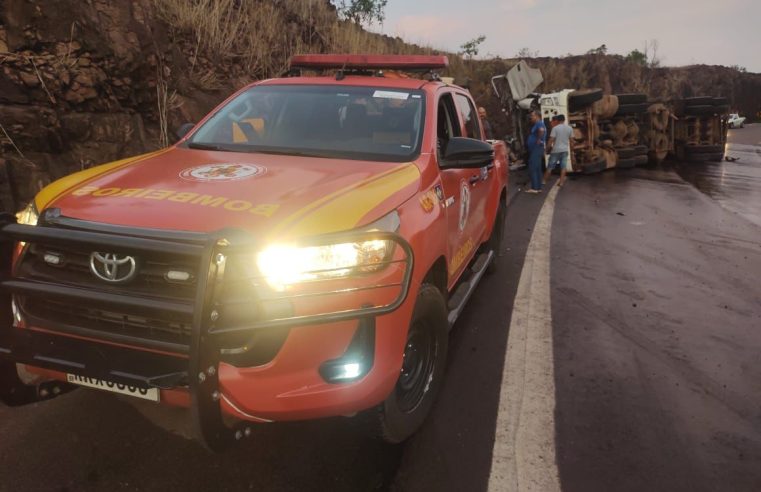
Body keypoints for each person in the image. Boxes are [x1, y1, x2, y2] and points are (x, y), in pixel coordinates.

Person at [543, 114, 573, 187]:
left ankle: (544, 181)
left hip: (556, 151)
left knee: (550, 167)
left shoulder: (555, 128)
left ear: (558, 120)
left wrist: (546, 149)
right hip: (564, 151)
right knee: (563, 167)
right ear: (564, 120)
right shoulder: (569, 128)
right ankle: (561, 182)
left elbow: (551, 140)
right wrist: (571, 150)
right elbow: (572, 141)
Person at [526, 110, 546, 193]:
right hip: (537, 148)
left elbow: (541, 130)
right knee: (537, 168)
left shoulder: (539, 123)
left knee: (533, 167)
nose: (531, 117)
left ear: (537, 116)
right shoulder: (538, 123)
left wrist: (538, 139)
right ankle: (538, 187)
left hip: (536, 148)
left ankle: (534, 188)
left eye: (533, 116)